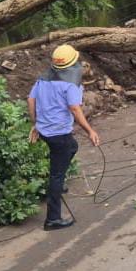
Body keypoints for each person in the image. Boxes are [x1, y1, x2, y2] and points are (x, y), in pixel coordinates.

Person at [27, 45, 101, 231]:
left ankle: (56, 185)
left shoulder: (43, 79)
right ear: (73, 63)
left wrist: (36, 123)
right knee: (57, 173)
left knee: (72, 147)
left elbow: (30, 100)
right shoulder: (70, 84)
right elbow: (75, 109)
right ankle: (53, 218)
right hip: (59, 133)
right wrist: (90, 130)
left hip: (46, 132)